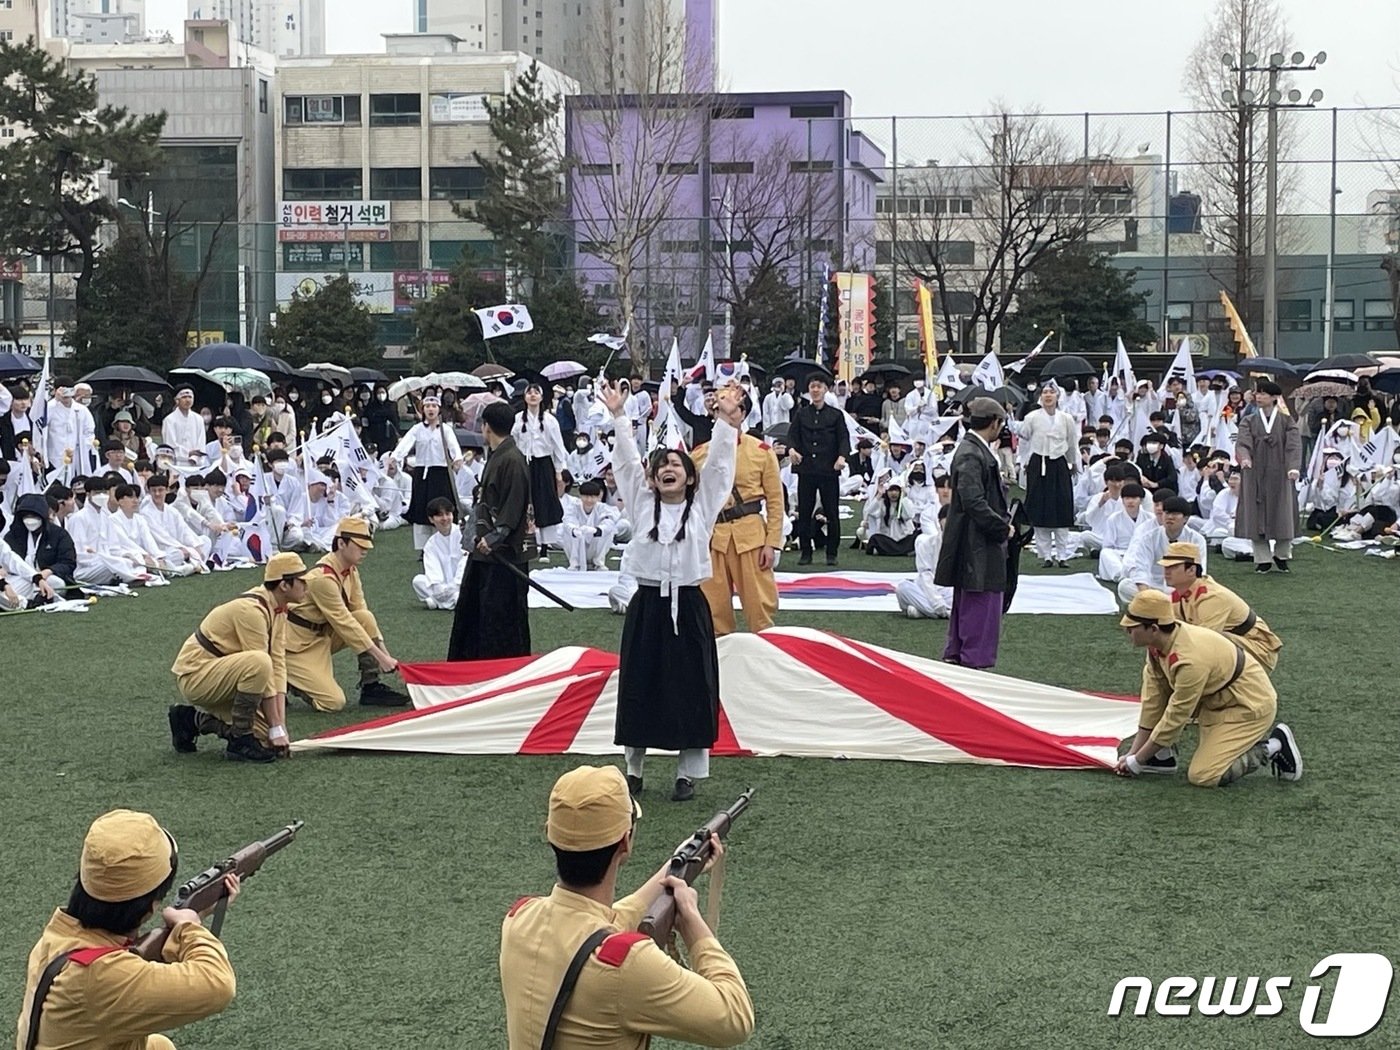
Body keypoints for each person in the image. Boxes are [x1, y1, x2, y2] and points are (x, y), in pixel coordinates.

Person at [499, 765, 754, 1050]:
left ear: (551, 834)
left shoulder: (518, 918)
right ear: (626, 841)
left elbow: (595, 925)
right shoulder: (628, 964)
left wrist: (676, 866)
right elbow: (735, 1019)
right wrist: (693, 922)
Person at [602, 379, 742, 802]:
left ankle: (687, 772)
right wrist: (620, 417)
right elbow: (625, 464)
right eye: (661, 465)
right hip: (648, 606)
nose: (668, 470)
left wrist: (723, 421)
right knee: (640, 684)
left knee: (691, 687)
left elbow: (719, 466)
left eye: (677, 465)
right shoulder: (642, 502)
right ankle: (634, 767)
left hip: (689, 604)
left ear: (688, 475)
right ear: (653, 475)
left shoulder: (703, 506)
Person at [15, 809, 238, 1050]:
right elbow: (219, 984)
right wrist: (189, 926)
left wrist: (199, 911)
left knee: (158, 1046)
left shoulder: (61, 932)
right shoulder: (101, 976)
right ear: (152, 907)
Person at [1115, 591, 1302, 787]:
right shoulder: (1159, 644)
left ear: (1153, 628)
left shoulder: (1190, 659)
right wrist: (1134, 754)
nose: (1126, 630)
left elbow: (1177, 715)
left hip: (1247, 706)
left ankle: (1274, 747)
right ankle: (1160, 756)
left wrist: (1137, 761)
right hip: (1215, 703)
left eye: (1132, 627)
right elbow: (1153, 701)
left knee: (1203, 775)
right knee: (1161, 695)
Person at [168, 552, 310, 762]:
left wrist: (279, 726)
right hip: (196, 675)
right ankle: (240, 741)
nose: (306, 585)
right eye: (301, 580)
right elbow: (264, 667)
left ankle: (191, 721)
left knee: (264, 737)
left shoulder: (279, 609)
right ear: (284, 585)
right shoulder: (251, 610)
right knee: (260, 662)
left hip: (223, 675)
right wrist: (276, 726)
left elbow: (279, 665)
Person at [283, 517, 407, 710]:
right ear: (341, 543)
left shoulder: (350, 570)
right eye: (359, 546)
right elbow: (344, 622)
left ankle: (371, 685)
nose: (364, 550)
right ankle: (284, 678)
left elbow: (359, 613)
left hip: (321, 636)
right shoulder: (323, 578)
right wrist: (383, 658)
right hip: (297, 645)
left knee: (364, 617)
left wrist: (386, 655)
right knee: (333, 703)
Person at [448, 400, 534, 661]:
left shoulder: (513, 460)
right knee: (476, 612)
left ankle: (503, 669)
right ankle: (471, 667)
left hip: (503, 555)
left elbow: (513, 506)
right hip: (484, 551)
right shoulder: (498, 456)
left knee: (501, 617)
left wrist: (495, 538)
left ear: (486, 427)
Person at [691, 404, 784, 635]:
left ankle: (765, 658)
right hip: (713, 537)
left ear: (743, 414)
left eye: (733, 411)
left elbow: (775, 501)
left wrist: (772, 543)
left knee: (760, 608)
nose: (728, 416)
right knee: (713, 610)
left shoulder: (761, 451)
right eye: (722, 411)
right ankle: (719, 661)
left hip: (750, 536)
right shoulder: (700, 453)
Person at [934, 397, 1012, 670]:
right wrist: (1001, 527)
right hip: (977, 541)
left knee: (971, 600)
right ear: (994, 423)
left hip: (974, 538)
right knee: (981, 600)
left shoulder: (972, 449)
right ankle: (972, 661)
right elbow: (973, 501)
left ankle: (959, 654)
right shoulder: (971, 452)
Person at [1158, 541, 1282, 671]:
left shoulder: (1212, 597)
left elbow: (1204, 641)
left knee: (1206, 641)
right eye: (1166, 567)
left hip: (1258, 651)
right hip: (1240, 646)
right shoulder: (1180, 594)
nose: (1166, 571)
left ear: (1191, 570)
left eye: (1173, 567)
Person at [1235, 380, 1301, 574]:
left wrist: (1293, 467)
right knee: (1255, 515)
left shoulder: (1287, 421)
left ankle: (1281, 555)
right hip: (1255, 472)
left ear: (1274, 397)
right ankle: (1262, 559)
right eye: (1257, 393)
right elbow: (1242, 442)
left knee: (1283, 513)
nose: (1259, 397)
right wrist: (1245, 458)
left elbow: (1294, 446)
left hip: (1280, 472)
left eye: (1263, 394)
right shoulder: (1248, 420)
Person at [787, 371, 850, 567]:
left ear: (825, 390)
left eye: (819, 387)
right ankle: (806, 552)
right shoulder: (801, 413)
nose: (815, 390)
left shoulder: (836, 415)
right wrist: (791, 450)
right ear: (808, 390)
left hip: (828, 469)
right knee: (804, 512)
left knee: (831, 512)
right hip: (806, 469)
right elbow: (792, 436)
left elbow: (843, 439)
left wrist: (842, 457)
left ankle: (832, 553)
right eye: (812, 387)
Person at [1016, 384, 1080, 567]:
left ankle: (1062, 555)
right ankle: (1045, 556)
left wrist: (1073, 462)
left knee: (1061, 506)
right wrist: (1024, 461)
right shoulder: (1032, 417)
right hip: (1038, 463)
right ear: (1040, 397)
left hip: (1059, 464)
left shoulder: (1066, 418)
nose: (1048, 396)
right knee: (1040, 508)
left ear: (1057, 396)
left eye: (1051, 392)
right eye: (1045, 393)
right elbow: (1024, 439)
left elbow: (1071, 442)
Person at [392, 395, 464, 553]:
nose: (431, 409)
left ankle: (445, 543)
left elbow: (454, 448)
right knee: (422, 512)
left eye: (434, 406)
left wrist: (457, 459)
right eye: (427, 406)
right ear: (422, 409)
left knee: (441, 509)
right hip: (422, 474)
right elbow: (405, 444)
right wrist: (395, 457)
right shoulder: (417, 429)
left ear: (439, 409)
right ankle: (424, 548)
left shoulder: (446, 429)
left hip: (441, 474)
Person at [1116, 495, 1208, 605]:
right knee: (1125, 586)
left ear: (1186, 518)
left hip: (1182, 589)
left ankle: (1160, 606)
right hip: (1153, 587)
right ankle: (1164, 605)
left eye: (1175, 514)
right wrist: (1145, 594)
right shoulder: (1149, 538)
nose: (1169, 517)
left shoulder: (1196, 539)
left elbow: (1199, 572)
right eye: (1167, 513)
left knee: (1205, 593)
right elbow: (1141, 568)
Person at [513, 381, 567, 556]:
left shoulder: (550, 420)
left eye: (536, 392)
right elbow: (514, 440)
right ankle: (526, 541)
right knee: (524, 502)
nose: (533, 395)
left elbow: (558, 446)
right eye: (530, 393)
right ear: (525, 397)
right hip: (524, 463)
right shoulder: (518, 418)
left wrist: (559, 470)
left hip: (543, 464)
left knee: (544, 502)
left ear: (542, 397)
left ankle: (545, 546)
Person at [412, 497, 464, 610]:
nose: (445, 518)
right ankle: (449, 602)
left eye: (448, 514)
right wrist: (440, 588)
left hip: (461, 584)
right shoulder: (431, 544)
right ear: (431, 519)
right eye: (440, 515)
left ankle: (438, 602)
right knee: (418, 581)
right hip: (442, 588)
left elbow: (464, 563)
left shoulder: (462, 534)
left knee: (462, 593)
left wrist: (455, 585)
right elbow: (432, 571)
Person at [561, 480, 620, 572]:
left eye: (592, 497)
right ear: (580, 496)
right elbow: (568, 520)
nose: (589, 500)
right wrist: (574, 530)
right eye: (586, 496)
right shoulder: (573, 507)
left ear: (598, 497)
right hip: (577, 544)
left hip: (594, 544)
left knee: (609, 532)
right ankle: (574, 563)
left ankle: (599, 562)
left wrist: (597, 530)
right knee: (565, 531)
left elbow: (609, 523)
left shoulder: (602, 508)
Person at [159, 388, 207, 468]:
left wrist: (196, 456)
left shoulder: (198, 419)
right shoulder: (169, 420)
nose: (187, 400)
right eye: (184, 397)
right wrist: (188, 453)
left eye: (190, 397)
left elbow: (201, 441)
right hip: (177, 463)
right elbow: (170, 443)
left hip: (195, 463)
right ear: (177, 400)